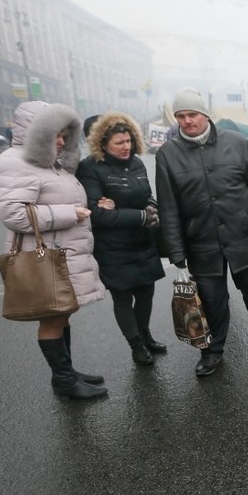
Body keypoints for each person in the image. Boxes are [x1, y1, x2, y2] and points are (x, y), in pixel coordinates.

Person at [155, 87, 248, 378]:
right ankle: (212, 350)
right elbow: (168, 208)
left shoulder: (236, 143)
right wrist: (176, 252)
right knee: (212, 300)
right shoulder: (168, 154)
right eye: (181, 116)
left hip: (242, 235)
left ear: (204, 115)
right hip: (201, 242)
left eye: (192, 114)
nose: (187, 120)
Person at [0, 101, 107, 400]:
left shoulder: (52, 164)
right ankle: (65, 380)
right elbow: (15, 215)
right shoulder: (14, 161)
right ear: (35, 132)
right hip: (44, 257)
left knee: (62, 312)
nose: (61, 141)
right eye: (56, 134)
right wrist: (70, 212)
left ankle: (66, 373)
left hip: (62, 254)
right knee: (53, 316)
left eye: (64, 135)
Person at [76, 112, 167, 366]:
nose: (126, 147)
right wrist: (140, 215)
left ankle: (146, 335)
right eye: (119, 143)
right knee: (124, 297)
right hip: (113, 248)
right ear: (103, 144)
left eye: (128, 141)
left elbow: (146, 195)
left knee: (147, 293)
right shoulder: (90, 168)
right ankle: (136, 344)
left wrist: (145, 207)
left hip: (143, 242)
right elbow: (97, 215)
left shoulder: (136, 163)